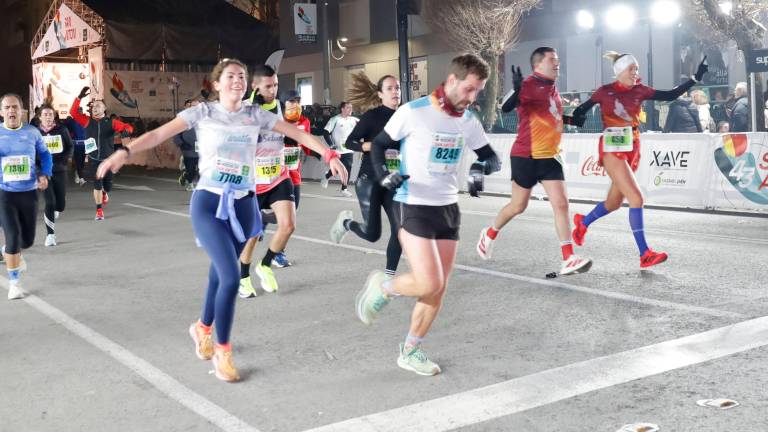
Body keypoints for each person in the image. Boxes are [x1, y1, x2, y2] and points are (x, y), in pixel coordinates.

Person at [96, 58, 347, 382]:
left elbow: (297, 135)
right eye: (230, 76)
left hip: (244, 206)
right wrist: (124, 152)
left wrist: (330, 154)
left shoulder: (256, 115)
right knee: (230, 277)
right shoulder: (202, 113)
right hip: (209, 202)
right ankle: (223, 352)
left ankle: (202, 327)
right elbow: (158, 134)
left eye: (242, 76)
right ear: (216, 84)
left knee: (219, 273)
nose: (237, 81)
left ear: (248, 85)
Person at [355, 54, 501, 376]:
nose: (472, 97)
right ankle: (384, 287)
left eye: (478, 91)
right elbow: (379, 146)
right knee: (428, 281)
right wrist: (383, 176)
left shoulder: (467, 120)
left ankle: (410, 350)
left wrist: (480, 167)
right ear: (451, 81)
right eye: (469, 89)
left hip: (448, 208)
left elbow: (492, 157)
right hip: (413, 203)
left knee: (438, 288)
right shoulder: (413, 111)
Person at [569, 51, 708, 268]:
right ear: (620, 71)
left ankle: (582, 222)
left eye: (637, 69)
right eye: (631, 69)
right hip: (612, 147)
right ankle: (645, 253)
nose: (636, 73)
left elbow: (670, 95)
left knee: (613, 203)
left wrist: (695, 78)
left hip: (632, 145)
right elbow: (581, 110)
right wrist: (577, 116)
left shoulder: (640, 90)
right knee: (636, 198)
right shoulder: (604, 92)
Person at [477, 47, 592, 276]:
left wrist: (571, 119)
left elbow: (550, 116)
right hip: (525, 154)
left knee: (561, 204)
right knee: (518, 206)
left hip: (550, 155)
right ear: (538, 64)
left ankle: (568, 257)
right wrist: (518, 89)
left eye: (558, 59)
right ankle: (489, 233)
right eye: (553, 60)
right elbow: (507, 106)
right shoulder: (529, 84)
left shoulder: (552, 87)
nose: (557, 63)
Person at [237, 65, 348, 297]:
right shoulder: (245, 111)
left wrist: (329, 155)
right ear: (255, 86)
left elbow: (301, 135)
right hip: (253, 183)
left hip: (279, 176)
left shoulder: (279, 107)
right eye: (268, 86)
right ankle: (244, 276)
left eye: (276, 84)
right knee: (252, 234)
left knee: (288, 225)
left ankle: (265, 265)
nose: (273, 89)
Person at [329, 74, 404, 280]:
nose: (395, 91)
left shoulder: (406, 115)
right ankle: (347, 224)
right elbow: (349, 142)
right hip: (369, 180)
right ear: (380, 94)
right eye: (389, 88)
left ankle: (388, 278)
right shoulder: (372, 116)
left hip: (392, 179)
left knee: (400, 230)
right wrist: (366, 146)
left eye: (397, 87)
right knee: (372, 235)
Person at [0, 93, 52, 300]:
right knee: (12, 236)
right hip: (4, 193)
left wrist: (44, 173)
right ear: (1, 111)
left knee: (27, 240)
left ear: (22, 111)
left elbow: (46, 154)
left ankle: (9, 251)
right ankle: (14, 283)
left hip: (28, 192)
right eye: (7, 107)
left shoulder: (33, 133)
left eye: (15, 107)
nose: (11, 111)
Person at [70, 87, 134, 220]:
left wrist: (127, 130)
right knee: (97, 184)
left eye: (98, 105)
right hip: (94, 159)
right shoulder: (87, 121)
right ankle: (99, 211)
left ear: (104, 109)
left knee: (108, 186)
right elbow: (73, 112)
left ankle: (105, 192)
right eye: (93, 106)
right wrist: (79, 97)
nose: (95, 107)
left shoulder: (111, 122)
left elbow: (127, 127)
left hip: (108, 159)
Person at [35, 103, 73, 246]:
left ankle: (57, 209)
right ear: (40, 117)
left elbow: (70, 146)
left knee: (60, 205)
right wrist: (38, 170)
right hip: (44, 172)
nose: (48, 117)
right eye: (45, 114)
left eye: (51, 114)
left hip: (59, 170)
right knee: (49, 202)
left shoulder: (62, 130)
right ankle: (50, 235)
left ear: (54, 116)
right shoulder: (36, 133)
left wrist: (64, 160)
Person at [321, 101, 358, 197]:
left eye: (351, 107)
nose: (351, 109)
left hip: (349, 149)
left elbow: (364, 128)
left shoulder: (354, 120)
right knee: (338, 169)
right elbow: (325, 132)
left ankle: (344, 189)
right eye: (348, 107)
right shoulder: (335, 119)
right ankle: (327, 176)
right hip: (337, 150)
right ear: (342, 109)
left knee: (347, 167)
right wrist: (331, 144)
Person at [173, 98, 201, 191]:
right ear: (186, 106)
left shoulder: (204, 117)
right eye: (191, 105)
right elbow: (176, 133)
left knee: (202, 167)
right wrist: (181, 143)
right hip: (189, 148)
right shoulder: (182, 118)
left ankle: (194, 180)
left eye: (197, 106)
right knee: (191, 167)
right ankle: (189, 182)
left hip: (202, 147)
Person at [63, 108, 87, 185]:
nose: (80, 112)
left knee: (82, 162)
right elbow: (64, 126)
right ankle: (81, 178)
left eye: (81, 111)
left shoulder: (85, 120)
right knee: (78, 161)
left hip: (84, 144)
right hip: (76, 144)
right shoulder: (72, 121)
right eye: (78, 111)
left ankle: (78, 173)